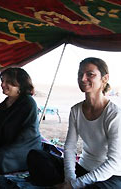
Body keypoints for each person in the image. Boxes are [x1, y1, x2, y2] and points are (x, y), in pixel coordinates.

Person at [27, 57, 121, 188]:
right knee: (36, 156)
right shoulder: (76, 110)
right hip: (83, 168)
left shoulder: (114, 114)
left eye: (90, 74)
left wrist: (75, 185)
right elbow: (70, 147)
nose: (83, 79)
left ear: (104, 78)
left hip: (110, 175)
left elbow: (114, 162)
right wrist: (70, 179)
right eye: (80, 74)